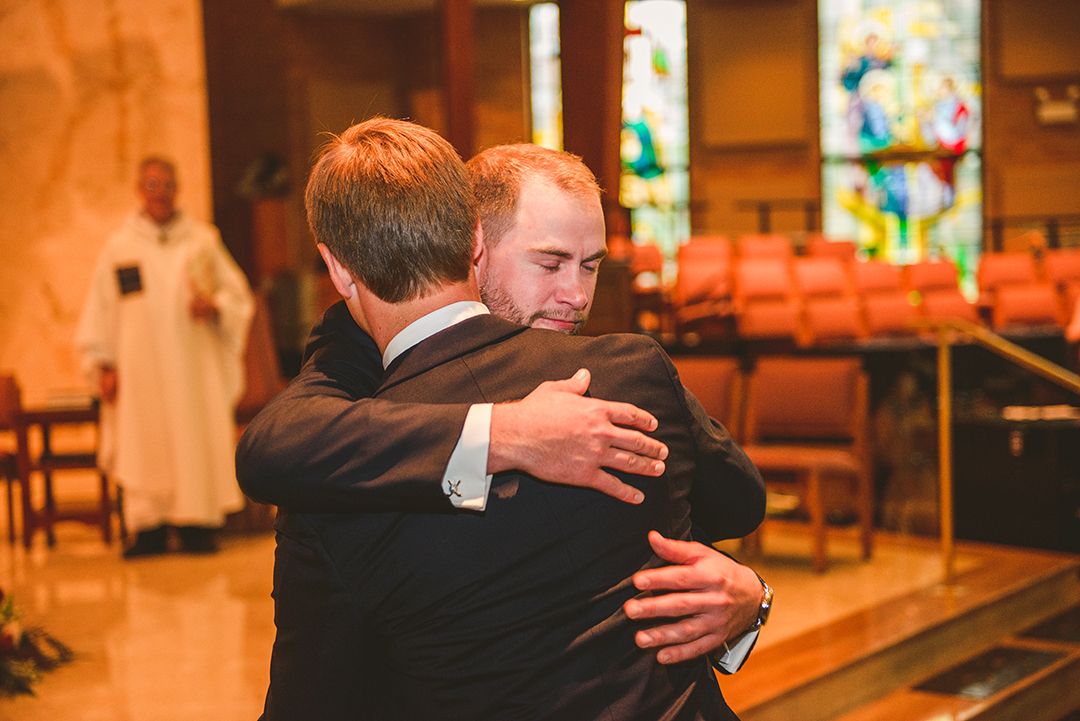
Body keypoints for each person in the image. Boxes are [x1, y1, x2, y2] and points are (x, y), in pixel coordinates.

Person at [257, 116, 764, 719]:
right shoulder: (632, 370)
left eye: (591, 265)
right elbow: (277, 440)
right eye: (549, 265)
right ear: (475, 244)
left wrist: (746, 596)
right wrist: (501, 434)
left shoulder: (338, 484)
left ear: (340, 268)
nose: (576, 295)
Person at [76, 157, 255, 557]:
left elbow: (238, 295)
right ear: (140, 190)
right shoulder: (118, 247)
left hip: (191, 368)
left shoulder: (203, 241)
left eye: (168, 185)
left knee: (191, 433)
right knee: (143, 439)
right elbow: (100, 310)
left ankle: (196, 525)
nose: (161, 193)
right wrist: (103, 364)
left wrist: (215, 306)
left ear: (178, 189)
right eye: (153, 185)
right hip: (139, 371)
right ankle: (148, 528)